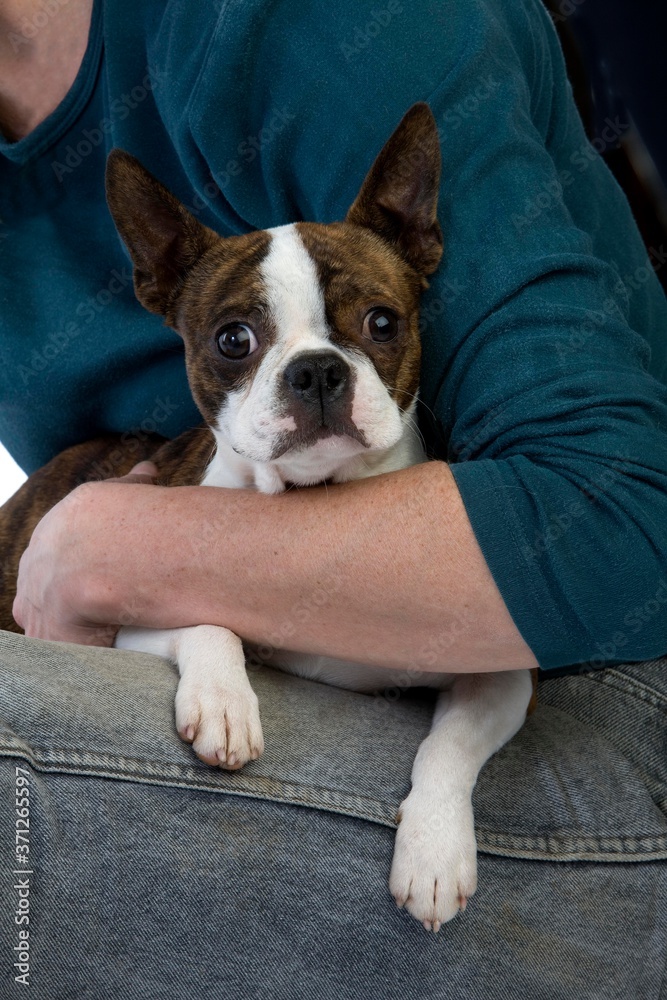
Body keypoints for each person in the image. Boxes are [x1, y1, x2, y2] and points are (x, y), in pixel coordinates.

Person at [1, 1, 666, 996]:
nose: (304, 372)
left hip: (587, 687)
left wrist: (118, 552)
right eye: (238, 343)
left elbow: (620, 520)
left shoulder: (322, 24)